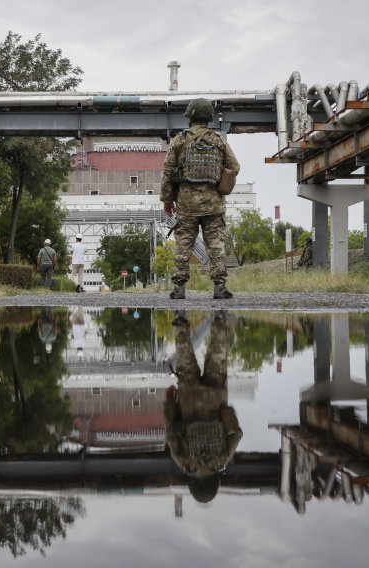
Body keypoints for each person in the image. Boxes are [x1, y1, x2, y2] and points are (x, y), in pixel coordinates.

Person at [161, 98, 240, 300]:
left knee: (183, 245)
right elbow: (235, 166)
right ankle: (220, 287)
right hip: (214, 204)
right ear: (208, 118)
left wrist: (167, 201)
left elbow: (167, 171)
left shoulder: (179, 140)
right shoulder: (218, 140)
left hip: (186, 204)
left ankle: (179, 288)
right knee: (216, 245)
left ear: (190, 116)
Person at [164, 310, 243, 503]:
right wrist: (170, 402)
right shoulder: (185, 463)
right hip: (189, 397)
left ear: (215, 483)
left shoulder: (222, 461)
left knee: (218, 354)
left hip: (215, 396)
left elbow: (236, 434)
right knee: (185, 358)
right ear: (193, 485)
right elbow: (171, 431)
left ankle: (220, 317)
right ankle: (181, 320)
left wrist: (225, 411)